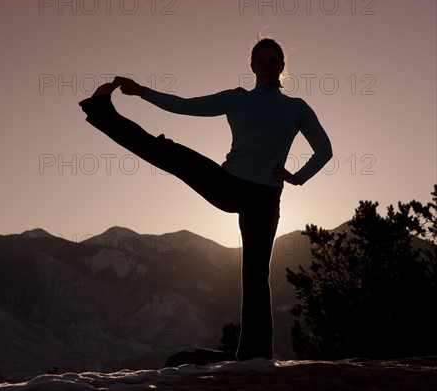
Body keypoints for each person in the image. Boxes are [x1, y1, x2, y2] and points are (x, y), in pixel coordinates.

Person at [78, 38, 332, 360]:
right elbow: (186, 105)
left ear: (282, 66)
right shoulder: (236, 99)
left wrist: (299, 176)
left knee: (256, 274)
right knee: (168, 152)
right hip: (228, 184)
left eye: (273, 61)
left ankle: (255, 358)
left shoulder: (297, 108)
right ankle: (103, 114)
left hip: (266, 198)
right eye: (261, 60)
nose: (267, 66)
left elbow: (324, 149)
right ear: (251, 66)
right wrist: (143, 92)